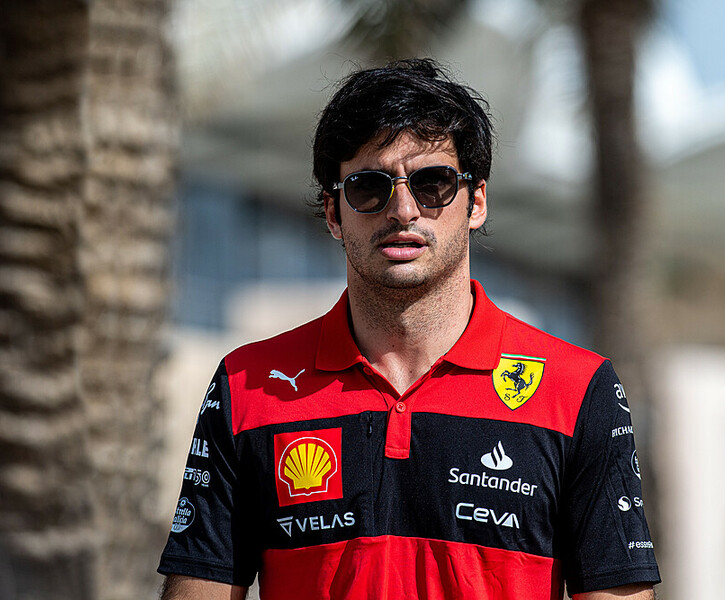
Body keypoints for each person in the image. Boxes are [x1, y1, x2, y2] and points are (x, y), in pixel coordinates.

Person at [157, 58, 660, 600]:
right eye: (368, 187)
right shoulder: (246, 387)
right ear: (333, 212)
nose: (402, 209)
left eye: (432, 183)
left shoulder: (578, 390)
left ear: (477, 201)